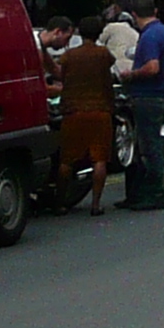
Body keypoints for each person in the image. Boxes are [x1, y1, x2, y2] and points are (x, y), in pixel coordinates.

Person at [53, 18, 120, 218]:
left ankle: (60, 202)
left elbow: (61, 76)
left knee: (67, 160)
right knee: (99, 158)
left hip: (73, 111)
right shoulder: (103, 54)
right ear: (99, 33)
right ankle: (96, 204)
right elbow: (110, 73)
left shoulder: (69, 56)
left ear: (79, 33)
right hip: (100, 111)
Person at [118, 1, 164, 211]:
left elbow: (152, 67)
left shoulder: (149, 36)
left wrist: (131, 75)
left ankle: (154, 194)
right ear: (156, 10)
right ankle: (140, 193)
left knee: (149, 146)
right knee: (148, 144)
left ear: (134, 14)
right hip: (158, 95)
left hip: (147, 96)